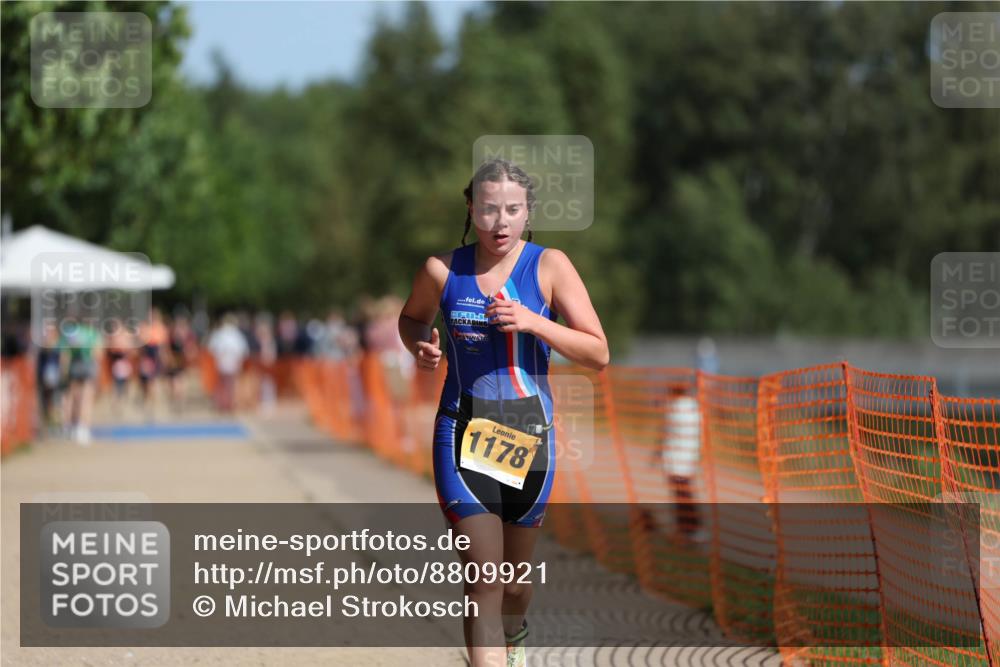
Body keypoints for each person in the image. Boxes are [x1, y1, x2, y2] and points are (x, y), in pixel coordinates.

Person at [398, 158, 609, 667]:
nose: (500, 221)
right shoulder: (441, 270)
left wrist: (535, 322)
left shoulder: (550, 266)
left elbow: (598, 353)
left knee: (513, 585)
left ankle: (514, 638)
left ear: (528, 212)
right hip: (461, 431)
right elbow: (411, 319)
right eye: (489, 209)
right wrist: (420, 345)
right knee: (483, 579)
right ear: (471, 209)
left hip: (529, 439)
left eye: (512, 210)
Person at [58, 315, 103, 445]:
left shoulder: (71, 333)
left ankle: (68, 426)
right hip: (88, 365)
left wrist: (63, 370)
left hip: (74, 365)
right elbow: (97, 353)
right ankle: (82, 428)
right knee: (86, 398)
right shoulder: (93, 333)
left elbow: (64, 353)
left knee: (71, 397)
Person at [207, 314, 249, 413]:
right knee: (230, 384)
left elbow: (212, 348)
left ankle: (225, 403)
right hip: (229, 363)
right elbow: (243, 350)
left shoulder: (221, 333)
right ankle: (228, 403)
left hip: (225, 363)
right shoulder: (235, 334)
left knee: (224, 384)